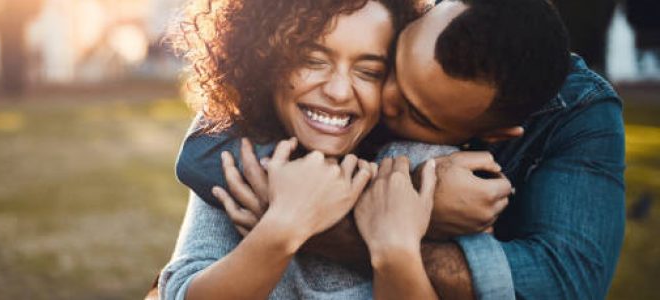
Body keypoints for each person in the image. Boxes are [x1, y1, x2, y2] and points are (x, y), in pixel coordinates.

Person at [175, 0, 626, 299]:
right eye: (393, 65)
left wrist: (396, 236)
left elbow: (566, 279)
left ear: (485, 134)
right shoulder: (257, 141)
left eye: (371, 71)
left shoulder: (444, 171)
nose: (381, 102)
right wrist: (288, 221)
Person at [160, 0, 451, 298]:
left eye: (369, 72)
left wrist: (395, 253)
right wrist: (284, 226)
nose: (338, 91)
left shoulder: (423, 163)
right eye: (313, 61)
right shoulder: (238, 148)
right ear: (264, 58)